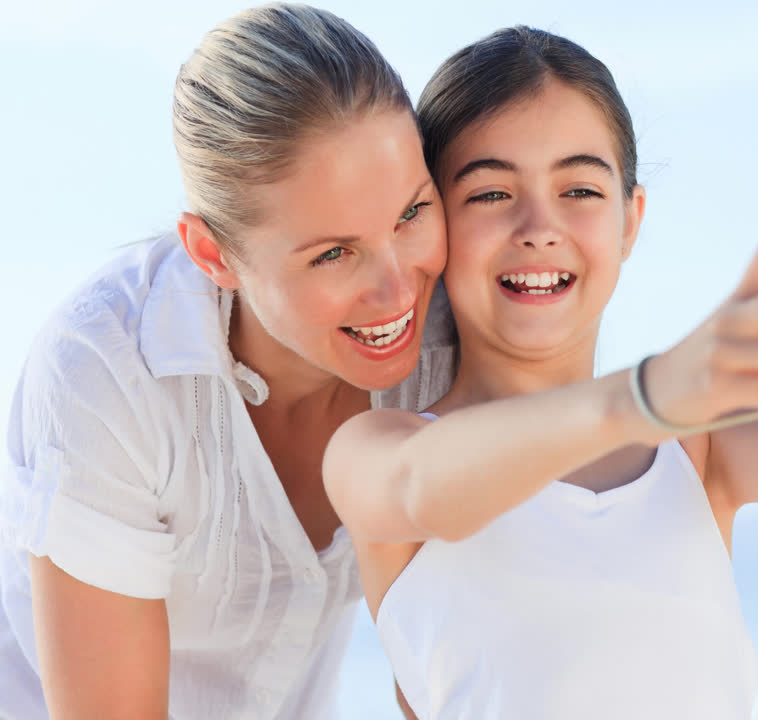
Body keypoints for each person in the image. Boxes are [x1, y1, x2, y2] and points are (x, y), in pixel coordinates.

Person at [324, 26, 758, 719]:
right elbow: (422, 489)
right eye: (491, 194)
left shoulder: (693, 444)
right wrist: (646, 397)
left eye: (581, 189)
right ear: (434, 224)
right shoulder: (376, 451)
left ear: (630, 219)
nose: (538, 225)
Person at [0, 4, 456, 718]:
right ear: (213, 254)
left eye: (411, 213)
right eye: (334, 252)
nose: (400, 288)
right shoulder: (109, 372)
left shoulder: (447, 341)